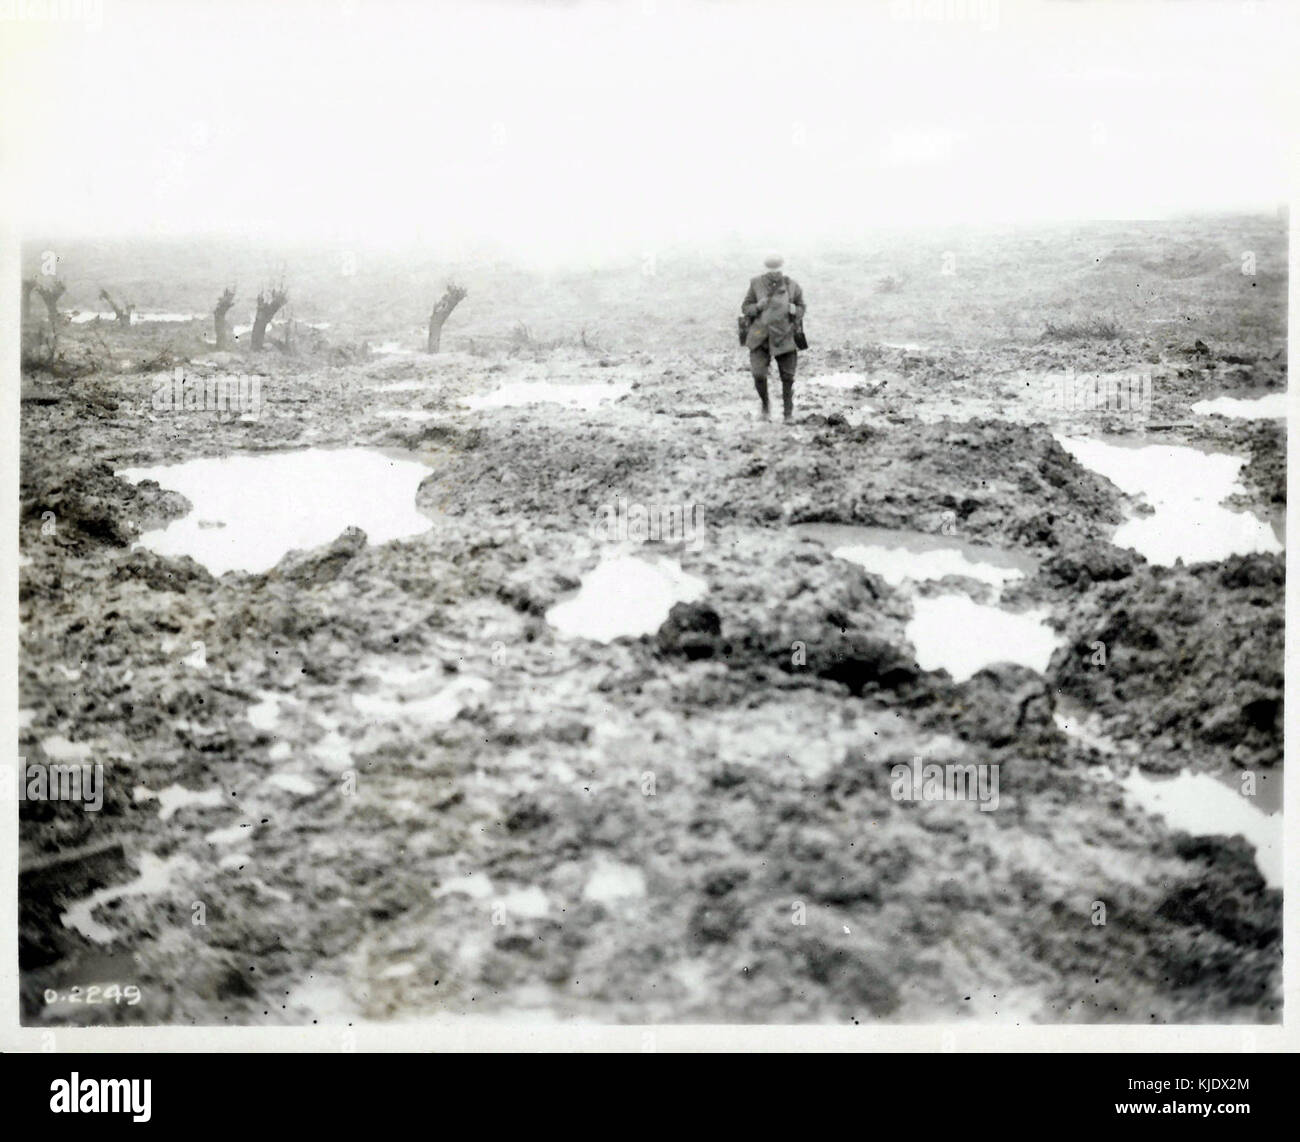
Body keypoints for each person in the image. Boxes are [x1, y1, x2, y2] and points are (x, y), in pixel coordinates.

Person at [741, 254, 805, 421]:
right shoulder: (756, 283)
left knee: (788, 377)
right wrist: (757, 306)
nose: (774, 273)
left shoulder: (792, 286)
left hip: (785, 336)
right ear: (765, 269)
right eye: (771, 269)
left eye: (777, 269)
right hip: (760, 337)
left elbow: (801, 308)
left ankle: (788, 413)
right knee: (758, 375)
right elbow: (745, 307)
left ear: (782, 268)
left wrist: (794, 310)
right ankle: (765, 405)